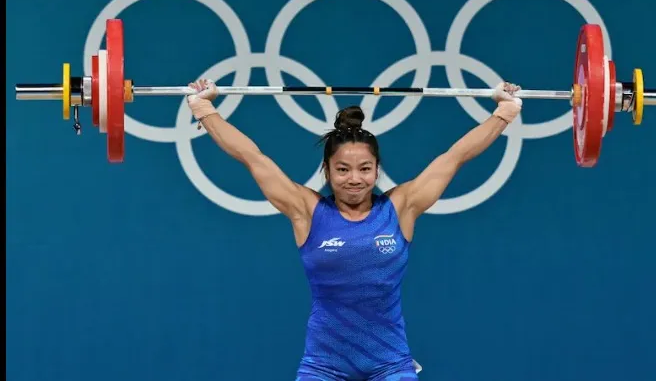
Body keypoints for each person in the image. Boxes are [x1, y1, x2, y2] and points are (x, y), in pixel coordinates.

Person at [186, 79, 522, 381]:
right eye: (343, 169)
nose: (354, 179)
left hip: (390, 364)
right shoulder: (307, 211)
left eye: (364, 168)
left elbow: (455, 157)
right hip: (323, 366)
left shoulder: (401, 207)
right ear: (327, 171)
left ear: (377, 171)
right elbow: (252, 157)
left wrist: (504, 113)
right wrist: (204, 109)